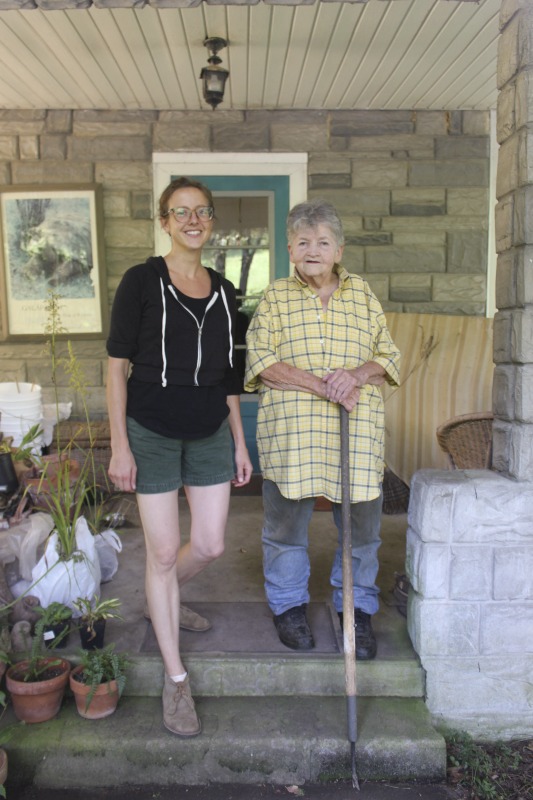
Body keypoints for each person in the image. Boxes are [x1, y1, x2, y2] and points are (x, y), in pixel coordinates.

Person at [106, 176, 253, 737]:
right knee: (163, 552)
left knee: (210, 543)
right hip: (151, 433)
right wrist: (119, 444)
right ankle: (175, 680)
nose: (193, 220)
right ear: (164, 221)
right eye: (180, 211)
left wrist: (240, 440)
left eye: (202, 211)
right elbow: (116, 367)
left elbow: (230, 377)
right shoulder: (141, 281)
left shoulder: (224, 290)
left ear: (211, 221)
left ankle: (158, 599)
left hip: (212, 430)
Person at [244, 199, 400, 659]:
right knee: (286, 528)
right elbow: (261, 361)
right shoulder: (275, 296)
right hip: (295, 439)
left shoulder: (364, 295)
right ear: (290, 249)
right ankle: (289, 607)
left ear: (339, 250)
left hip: (357, 433)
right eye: (304, 241)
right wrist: (324, 385)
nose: (313, 249)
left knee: (361, 533)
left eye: (323, 242)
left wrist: (355, 376)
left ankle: (356, 610)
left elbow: (389, 357)